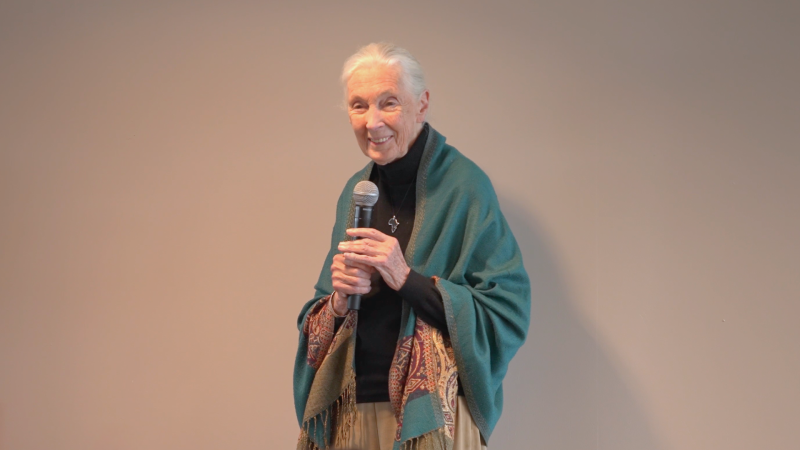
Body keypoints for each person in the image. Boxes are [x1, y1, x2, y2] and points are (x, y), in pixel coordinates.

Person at [293, 43, 530, 450]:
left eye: (389, 103)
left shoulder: (465, 186)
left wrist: (404, 277)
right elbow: (318, 315)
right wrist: (336, 301)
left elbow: (507, 311)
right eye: (358, 106)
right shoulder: (357, 190)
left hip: (431, 419)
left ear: (421, 104)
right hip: (352, 411)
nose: (372, 122)